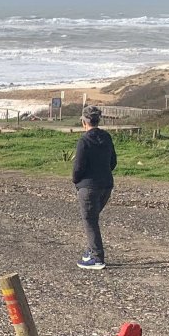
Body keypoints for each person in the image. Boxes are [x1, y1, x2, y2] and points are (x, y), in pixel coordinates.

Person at [71, 105, 116, 270]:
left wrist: (76, 181)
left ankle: (97, 258)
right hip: (106, 185)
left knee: (90, 220)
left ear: (84, 122)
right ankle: (91, 250)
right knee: (93, 218)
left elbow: (78, 166)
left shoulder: (84, 140)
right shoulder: (106, 137)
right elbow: (113, 162)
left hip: (88, 187)